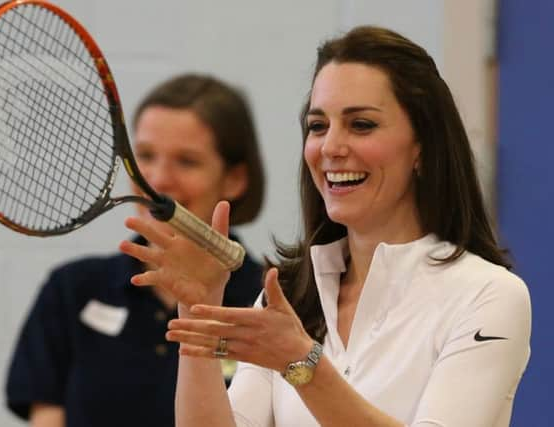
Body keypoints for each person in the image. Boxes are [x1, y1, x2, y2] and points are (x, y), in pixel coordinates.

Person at [119, 26, 532, 427]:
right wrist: (199, 308)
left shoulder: (487, 295)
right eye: (318, 126)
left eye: (361, 124)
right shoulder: (291, 298)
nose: (331, 147)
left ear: (422, 146)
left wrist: (302, 364)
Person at [5, 73, 266, 427]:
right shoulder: (73, 289)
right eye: (144, 155)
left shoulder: (275, 299)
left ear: (235, 179)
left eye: (186, 161)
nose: (157, 179)